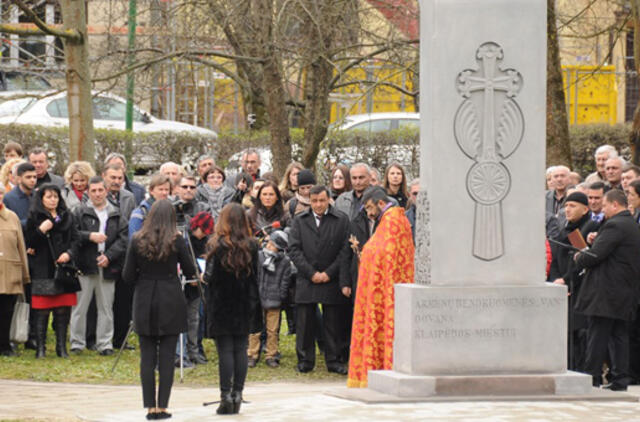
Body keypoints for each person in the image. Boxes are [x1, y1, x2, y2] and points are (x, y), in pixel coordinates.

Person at [121, 200, 196, 420]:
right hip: (170, 296)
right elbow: (190, 269)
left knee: (147, 356)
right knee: (166, 355)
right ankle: (162, 406)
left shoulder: (137, 240)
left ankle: (149, 407)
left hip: (144, 297)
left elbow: (127, 275)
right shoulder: (177, 240)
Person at [347, 186, 414, 388]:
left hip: (388, 291)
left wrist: (366, 254)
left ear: (381, 203)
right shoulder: (390, 220)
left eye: (369, 207)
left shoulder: (393, 221)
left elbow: (386, 255)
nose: (368, 212)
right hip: (384, 288)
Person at [574, 189, 640, 391]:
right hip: (623, 291)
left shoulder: (615, 225)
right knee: (619, 335)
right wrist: (598, 239)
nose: (602, 210)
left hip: (605, 292)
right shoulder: (630, 224)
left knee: (598, 334)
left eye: (604, 206)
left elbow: (594, 257)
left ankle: (591, 377)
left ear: (614, 205)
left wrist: (579, 257)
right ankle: (620, 378)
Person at [204, 203, 261, 415]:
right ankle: (237, 394)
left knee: (225, 350)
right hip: (244, 302)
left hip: (221, 303)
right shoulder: (252, 245)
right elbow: (256, 275)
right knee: (241, 349)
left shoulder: (216, 245)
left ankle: (225, 395)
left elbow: (209, 277)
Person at [289, 185, 351, 375]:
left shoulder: (341, 219)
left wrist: (328, 273)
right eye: (314, 201)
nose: (318, 205)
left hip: (331, 277)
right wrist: (311, 273)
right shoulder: (300, 220)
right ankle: (305, 360)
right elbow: (293, 249)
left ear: (329, 200)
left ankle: (334, 359)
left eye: (322, 200)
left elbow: (345, 249)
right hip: (307, 278)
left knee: (333, 322)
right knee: (305, 321)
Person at [70, 176, 128, 356]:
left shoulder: (116, 214)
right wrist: (89, 236)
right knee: (80, 307)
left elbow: (123, 240)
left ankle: (105, 344)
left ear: (106, 191)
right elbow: (72, 234)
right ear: (88, 192)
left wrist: (109, 257)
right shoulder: (79, 212)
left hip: (107, 266)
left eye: (100, 190)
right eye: (93, 191)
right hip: (85, 265)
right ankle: (77, 343)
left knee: (106, 308)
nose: (97, 194)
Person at [26, 184, 80, 359]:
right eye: (48, 197)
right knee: (42, 311)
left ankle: (61, 348)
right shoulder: (34, 217)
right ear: (41, 199)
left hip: (64, 269)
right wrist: (42, 229)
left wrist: (69, 253)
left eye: (55, 196)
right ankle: (40, 348)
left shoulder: (67, 217)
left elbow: (76, 239)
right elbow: (29, 243)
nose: (52, 200)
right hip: (43, 269)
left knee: (63, 311)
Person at [548, 192, 599, 371]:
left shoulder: (587, 228)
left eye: (572, 206)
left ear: (585, 209)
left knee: (579, 333)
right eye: (566, 206)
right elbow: (555, 257)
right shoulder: (565, 228)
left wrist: (567, 280)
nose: (567, 209)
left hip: (579, 289)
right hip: (562, 286)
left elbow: (581, 260)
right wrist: (555, 278)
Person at [248, 230, 292, 368]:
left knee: (273, 330)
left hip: (274, 300)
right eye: (269, 243)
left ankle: (271, 354)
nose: (269, 246)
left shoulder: (284, 262)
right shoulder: (258, 257)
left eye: (273, 245)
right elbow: (254, 276)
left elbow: (285, 281)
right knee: (254, 329)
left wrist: (281, 296)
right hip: (258, 298)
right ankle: (252, 354)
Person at [0, 183, 30, 356]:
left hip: (10, 273)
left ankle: (5, 345)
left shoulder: (12, 217)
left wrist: (24, 275)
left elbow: (20, 246)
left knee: (7, 311)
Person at [129, 173, 172, 237]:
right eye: (161, 189)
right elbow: (133, 240)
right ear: (151, 191)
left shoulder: (171, 211)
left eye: (167, 190)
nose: (164, 193)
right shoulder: (140, 213)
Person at [3, 162, 37, 229]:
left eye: (34, 177)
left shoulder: (39, 196)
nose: (32, 180)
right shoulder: (8, 199)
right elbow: (7, 224)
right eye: (28, 177)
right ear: (19, 179)